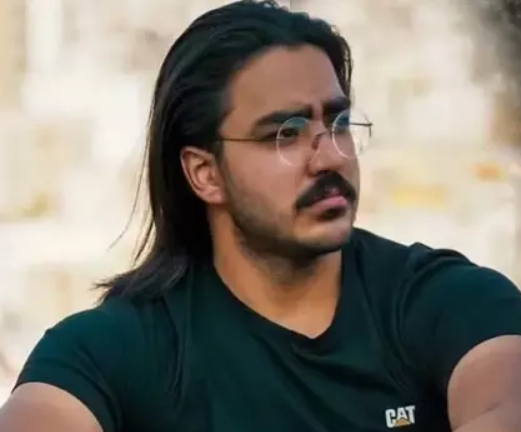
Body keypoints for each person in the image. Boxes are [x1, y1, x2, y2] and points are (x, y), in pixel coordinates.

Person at [2, 1, 521, 431]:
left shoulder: (441, 301)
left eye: (338, 122)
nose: (330, 156)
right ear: (205, 173)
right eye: (285, 134)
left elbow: (506, 400)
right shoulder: (120, 349)